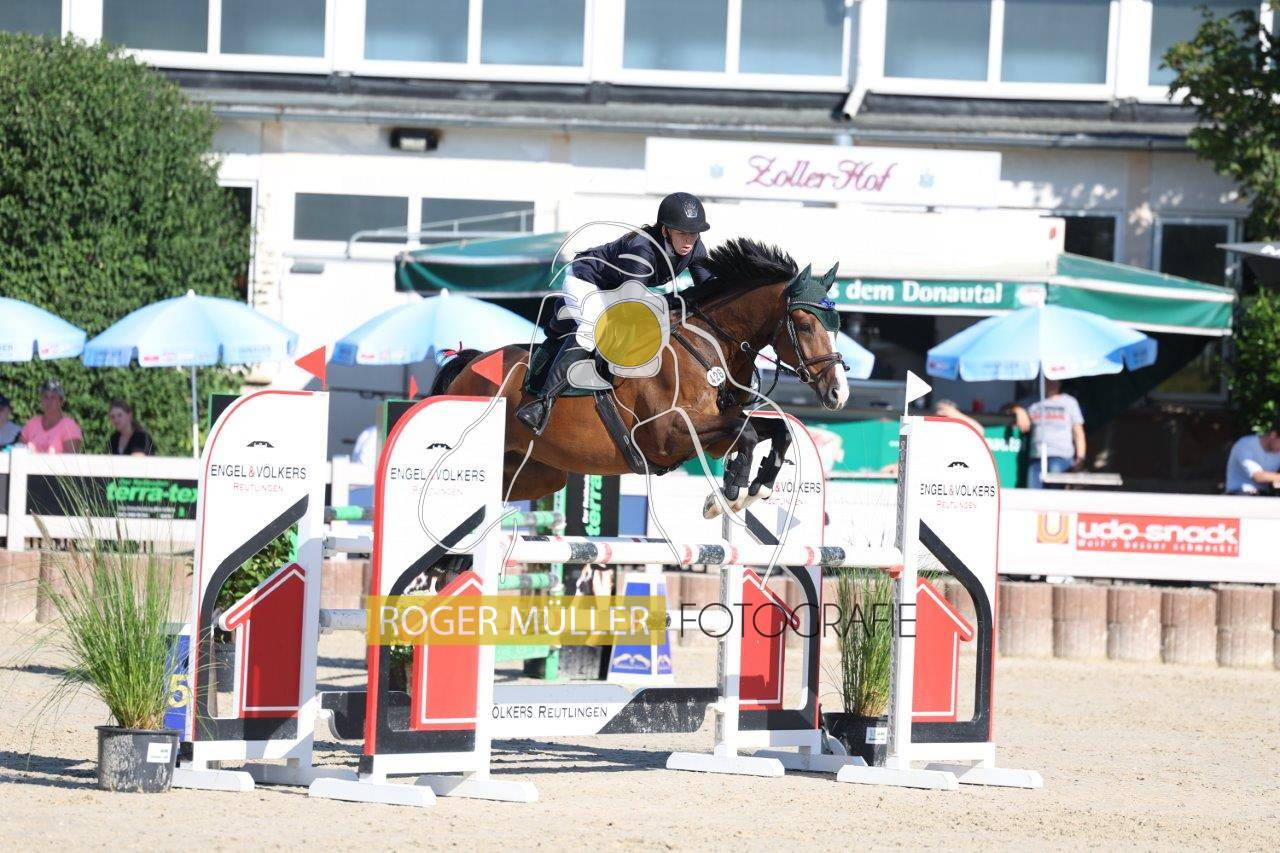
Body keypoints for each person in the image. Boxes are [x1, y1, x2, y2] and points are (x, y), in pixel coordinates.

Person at [515, 192, 713, 435]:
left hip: (616, 291)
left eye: (694, 233)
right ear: (665, 230)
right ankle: (542, 403)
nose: (689, 239)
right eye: (682, 233)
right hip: (586, 281)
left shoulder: (695, 248)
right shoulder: (643, 249)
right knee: (591, 330)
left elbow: (709, 288)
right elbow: (633, 303)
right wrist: (680, 299)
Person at [1009, 379, 1085, 489]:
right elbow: (1005, 407)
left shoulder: (1069, 402)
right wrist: (1018, 410)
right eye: (1047, 381)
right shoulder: (1033, 401)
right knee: (1032, 495)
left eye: (1053, 381)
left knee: (1055, 495)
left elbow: (1078, 432)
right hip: (1036, 457)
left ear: (1059, 383)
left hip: (1061, 457)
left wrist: (1080, 458)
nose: (1050, 383)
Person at [20, 380, 82, 454]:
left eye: (53, 397)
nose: (49, 401)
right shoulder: (31, 424)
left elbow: (70, 458)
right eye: (45, 397)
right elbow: (19, 451)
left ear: (61, 402)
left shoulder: (69, 427)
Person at [1223, 421, 1280, 495]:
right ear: (1273, 435)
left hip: (1264, 495)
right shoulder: (1245, 445)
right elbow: (1258, 476)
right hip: (1239, 493)